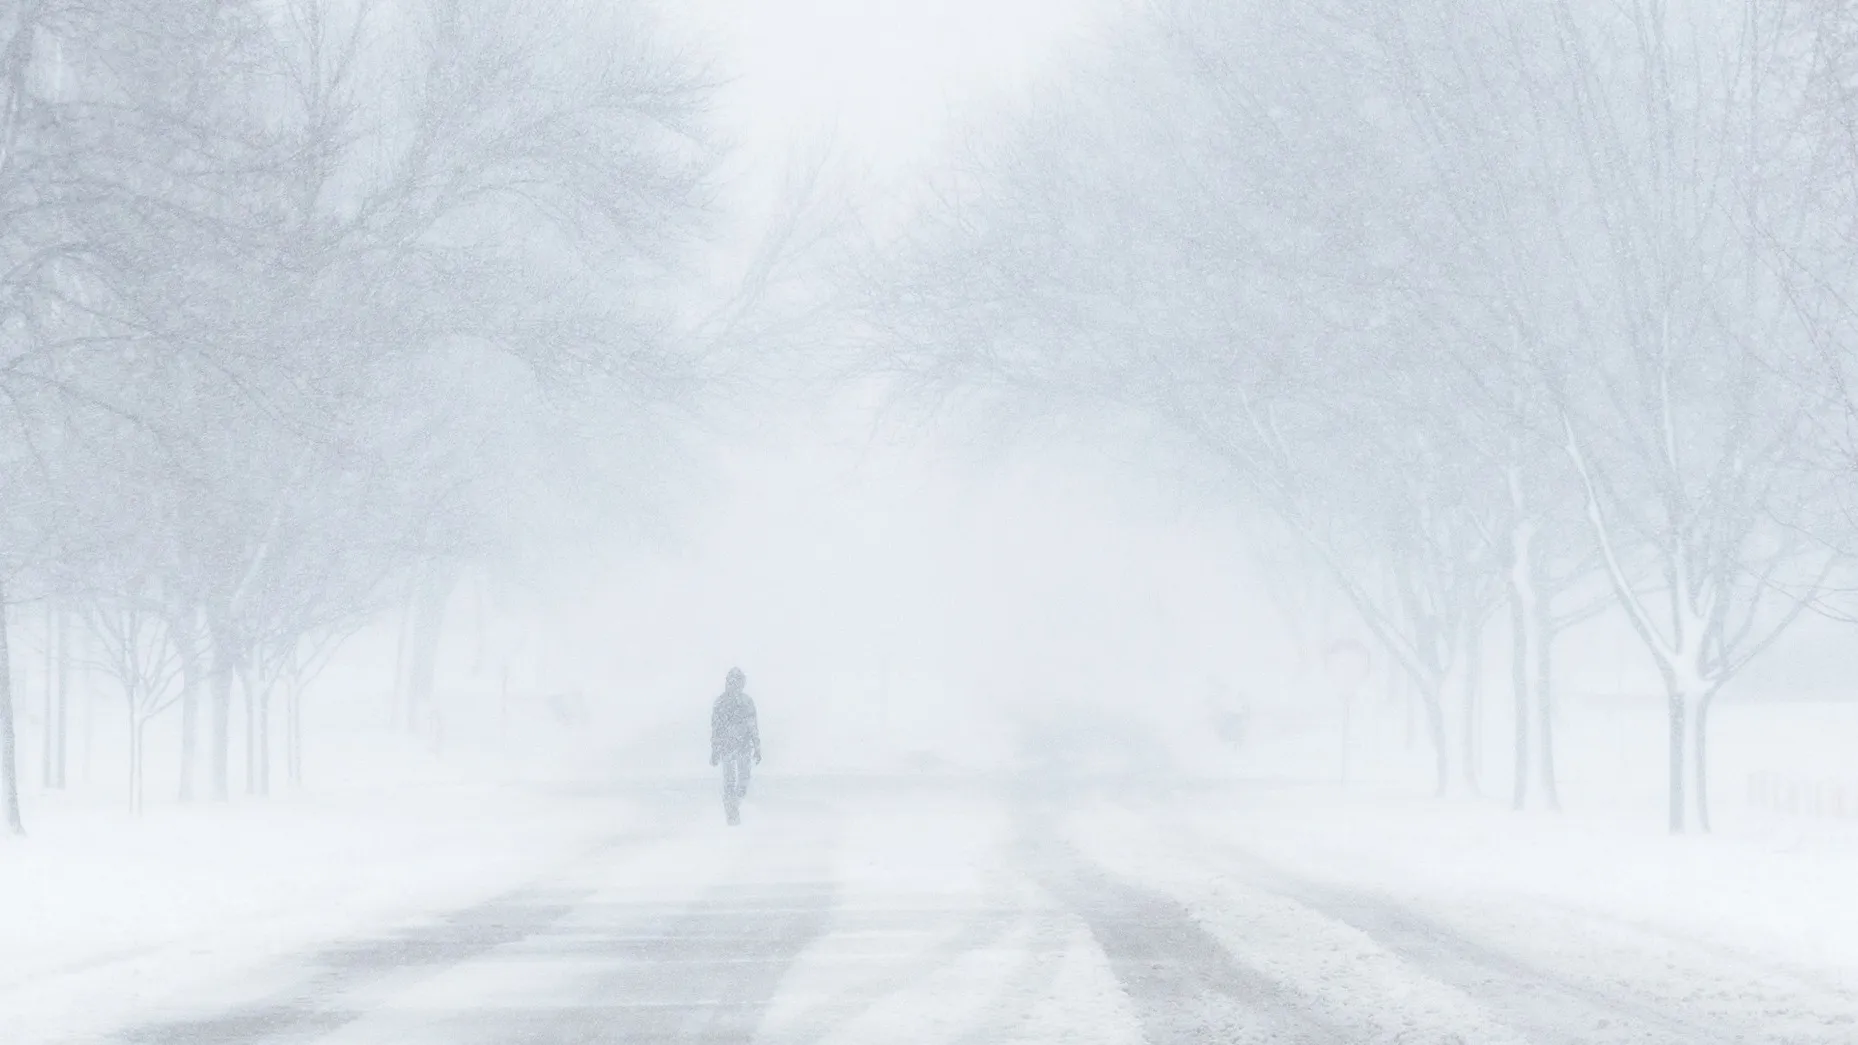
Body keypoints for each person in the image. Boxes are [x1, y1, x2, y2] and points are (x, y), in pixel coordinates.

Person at [710, 667, 761, 825]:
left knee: (742, 783)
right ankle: (732, 815)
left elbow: (753, 726)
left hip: (743, 747)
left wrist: (757, 747)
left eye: (738, 682)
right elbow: (716, 728)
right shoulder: (721, 703)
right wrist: (715, 750)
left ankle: (733, 808)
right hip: (729, 748)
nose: (734, 685)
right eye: (732, 681)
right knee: (730, 783)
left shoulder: (747, 702)